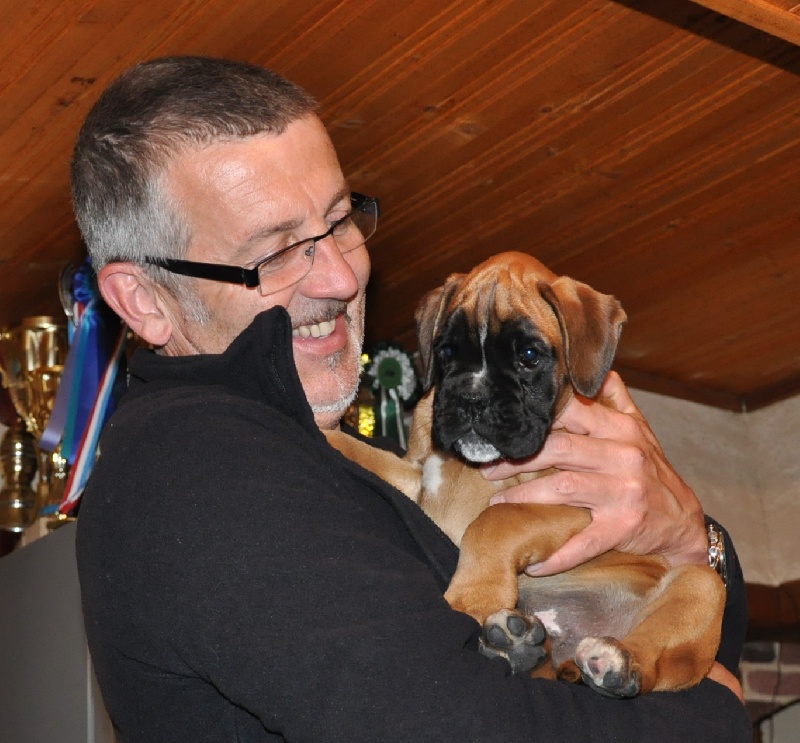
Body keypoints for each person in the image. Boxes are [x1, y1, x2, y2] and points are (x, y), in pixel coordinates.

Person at [72, 56, 750, 742]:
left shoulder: (307, 462)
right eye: (274, 253)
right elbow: (446, 725)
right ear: (143, 300)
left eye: (340, 221)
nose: (341, 278)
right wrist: (713, 714)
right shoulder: (196, 461)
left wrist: (691, 541)